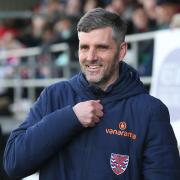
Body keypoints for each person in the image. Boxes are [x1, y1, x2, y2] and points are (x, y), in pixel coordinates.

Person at [3, 8, 180, 180]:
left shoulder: (150, 111)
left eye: (101, 48)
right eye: (84, 47)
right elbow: (14, 164)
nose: (90, 56)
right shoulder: (54, 96)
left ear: (121, 51)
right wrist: (70, 118)